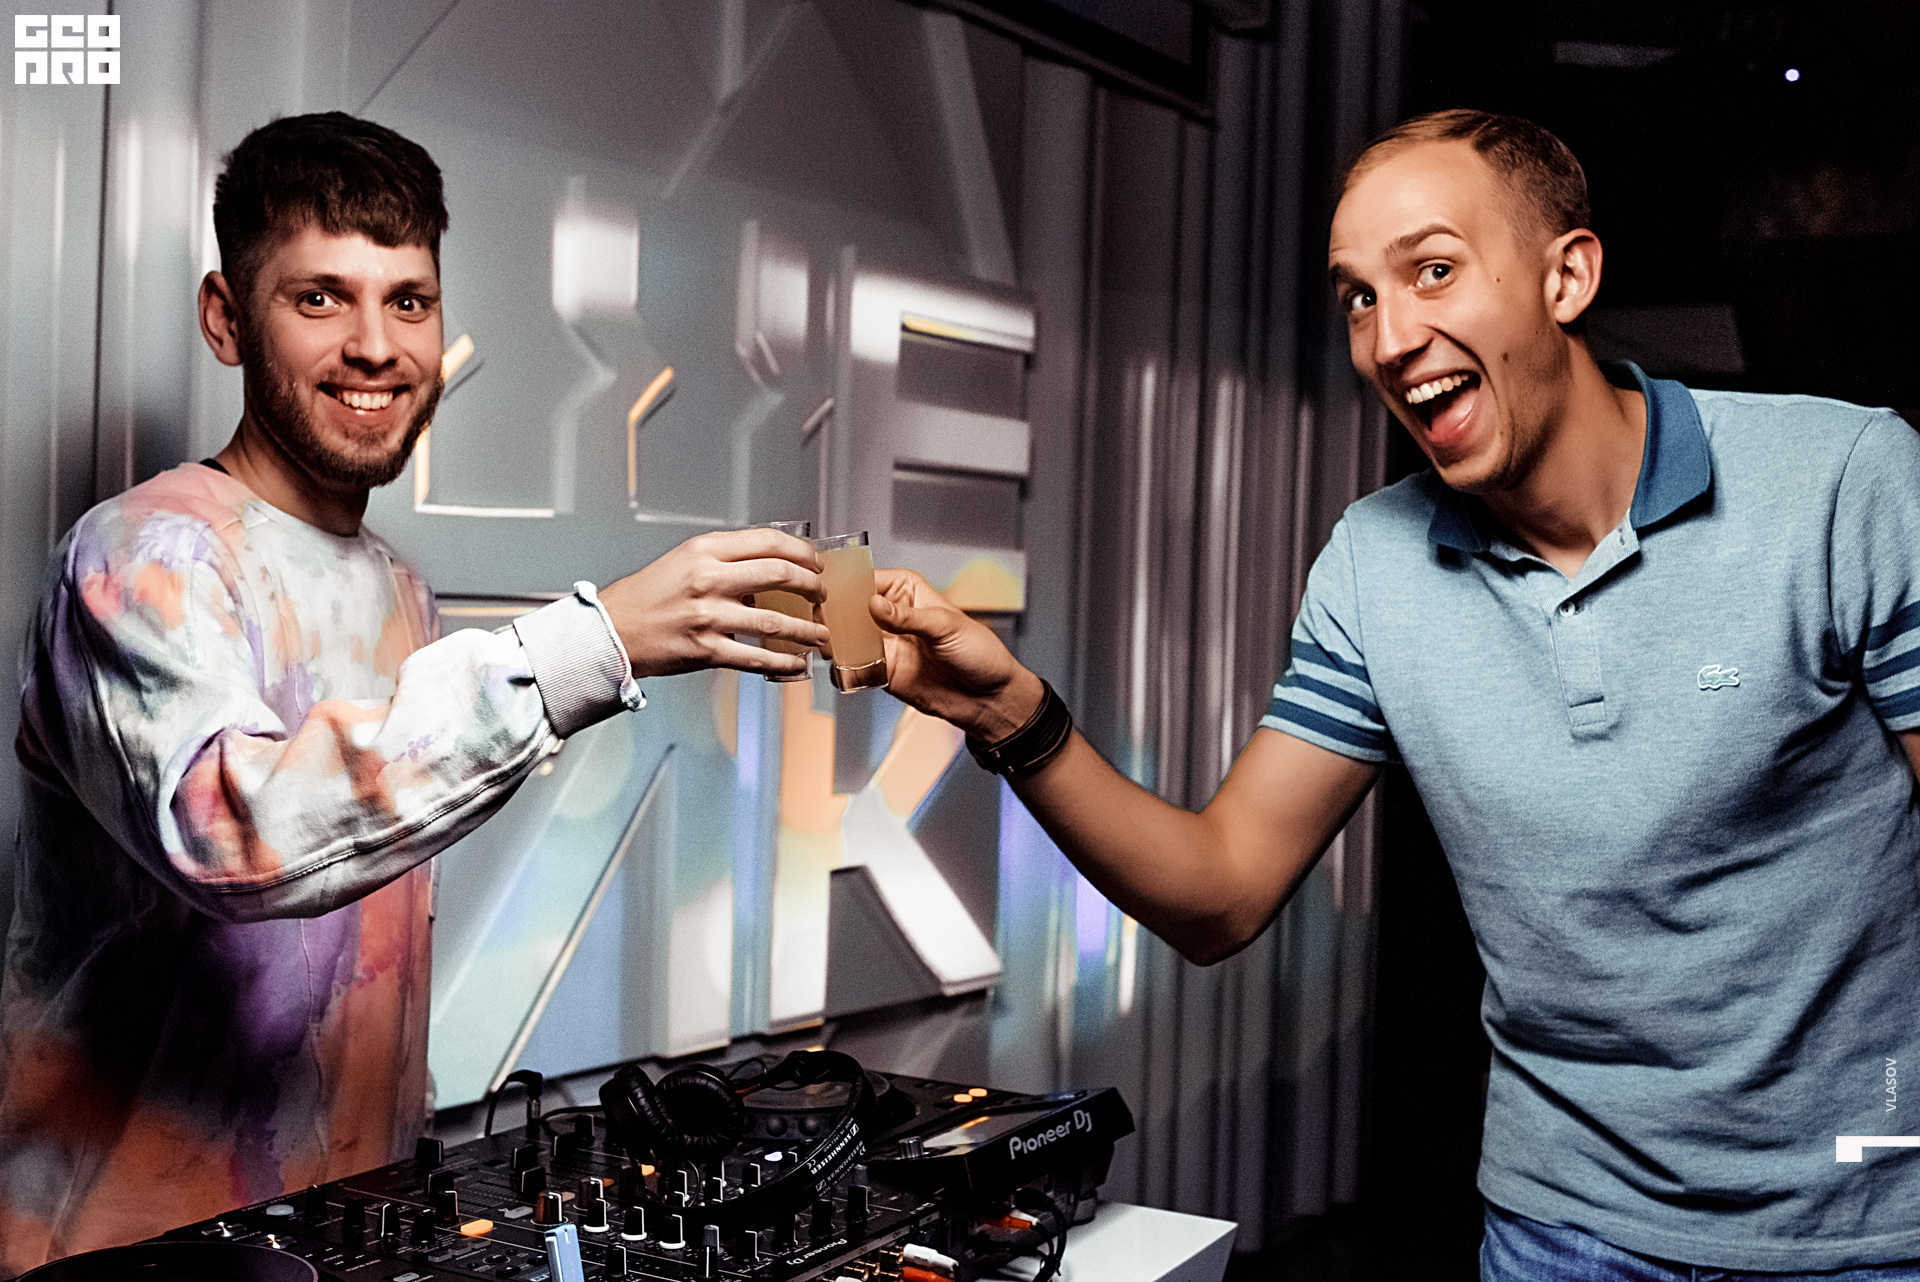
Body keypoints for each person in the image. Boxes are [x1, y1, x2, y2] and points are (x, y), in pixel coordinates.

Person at [873, 109, 1920, 1279]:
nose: (1390, 336)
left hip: (1867, 1230)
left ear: (1567, 277)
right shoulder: (1376, 564)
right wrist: (1014, 717)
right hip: (1565, 1234)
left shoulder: (1842, 483)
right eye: (1359, 297)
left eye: (1433, 271)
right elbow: (1221, 893)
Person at [0, 112, 827, 1272]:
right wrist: (594, 644)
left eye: (409, 301)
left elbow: (361, 946)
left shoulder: (399, 586)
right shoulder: (143, 555)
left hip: (344, 1234)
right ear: (226, 319)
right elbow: (237, 832)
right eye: (320, 298)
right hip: (127, 1248)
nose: (377, 346)